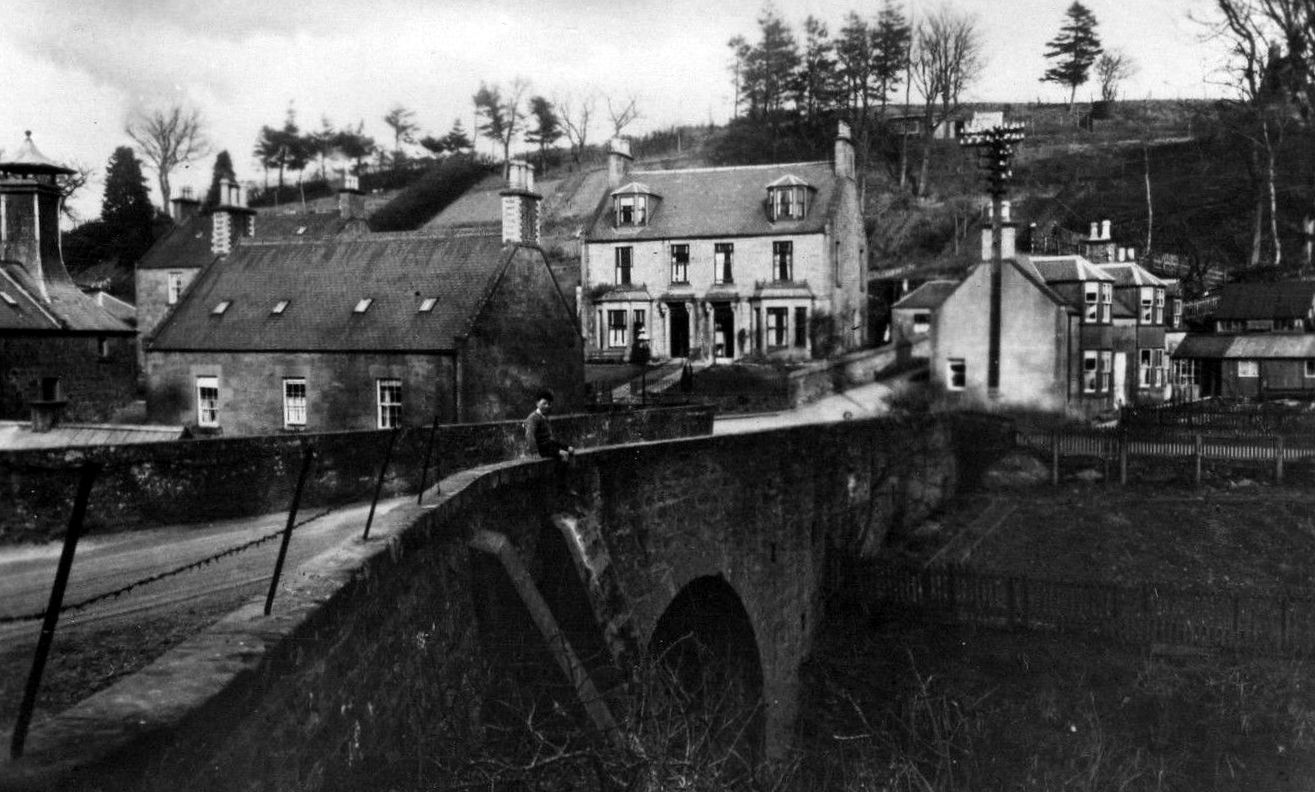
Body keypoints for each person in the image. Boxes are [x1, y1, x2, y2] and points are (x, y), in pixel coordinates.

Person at [525, 390, 574, 461]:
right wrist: (534, 452)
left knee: (571, 450)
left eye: (549, 404)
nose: (547, 406)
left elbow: (549, 438)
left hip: (549, 444)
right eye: (544, 403)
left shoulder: (544, 416)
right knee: (564, 454)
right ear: (537, 403)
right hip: (541, 447)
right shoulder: (533, 417)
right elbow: (529, 435)